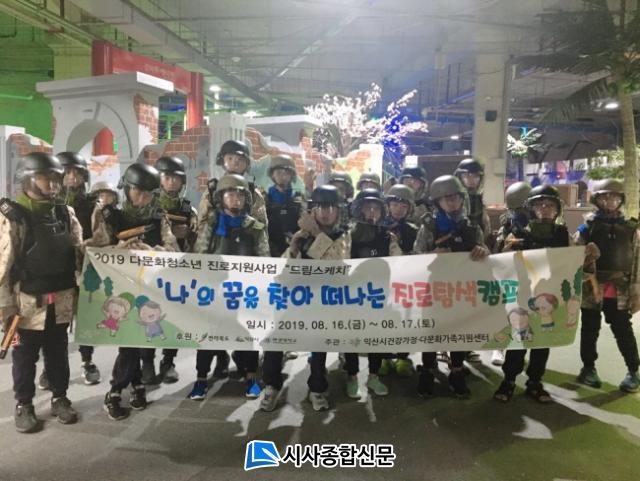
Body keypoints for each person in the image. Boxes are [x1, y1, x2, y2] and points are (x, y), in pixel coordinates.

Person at [0, 152, 82, 432]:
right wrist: (5, 310)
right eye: (45, 177)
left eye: (56, 178)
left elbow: (78, 252)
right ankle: (24, 404)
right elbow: (3, 267)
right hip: (25, 304)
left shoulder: (65, 212)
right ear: (28, 178)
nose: (53, 183)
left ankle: (60, 397)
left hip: (60, 300)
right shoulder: (12, 216)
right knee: (24, 357)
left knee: (58, 352)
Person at [91, 163, 178, 420]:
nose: (143, 198)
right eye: (138, 192)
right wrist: (119, 250)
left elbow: (172, 249)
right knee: (128, 341)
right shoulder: (110, 216)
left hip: (149, 287)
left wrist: (153, 252)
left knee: (138, 338)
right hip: (119, 288)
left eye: (149, 194)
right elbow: (95, 250)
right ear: (127, 189)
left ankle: (135, 384)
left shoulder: (159, 217)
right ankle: (117, 390)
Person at [188, 174, 269, 401]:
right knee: (208, 335)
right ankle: (201, 379)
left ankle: (251, 377)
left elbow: (265, 257)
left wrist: (261, 284)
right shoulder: (212, 224)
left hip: (245, 289)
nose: (235, 199)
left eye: (240, 195)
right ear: (221, 198)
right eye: (230, 194)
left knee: (247, 333)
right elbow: (200, 254)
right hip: (215, 288)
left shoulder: (255, 227)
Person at [413, 175, 489, 398]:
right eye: (446, 199)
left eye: (455, 197)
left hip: (462, 288)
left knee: (459, 329)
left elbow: (484, 251)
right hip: (433, 287)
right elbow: (415, 255)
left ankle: (456, 369)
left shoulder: (471, 226)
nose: (452, 202)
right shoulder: (429, 226)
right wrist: (432, 254)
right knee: (431, 329)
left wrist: (483, 251)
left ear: (462, 199)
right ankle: (428, 369)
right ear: (438, 202)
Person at [493, 185, 570, 403]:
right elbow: (500, 263)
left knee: (542, 341)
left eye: (550, 205)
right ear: (531, 208)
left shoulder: (563, 235)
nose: (545, 209)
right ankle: (509, 379)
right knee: (519, 339)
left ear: (557, 210)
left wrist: (589, 256)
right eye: (540, 205)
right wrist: (506, 249)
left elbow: (574, 265)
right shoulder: (518, 234)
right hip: (522, 295)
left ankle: (535, 381)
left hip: (550, 297)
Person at [283, 185, 351, 411]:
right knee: (276, 340)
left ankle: (317, 389)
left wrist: (315, 233)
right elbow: (283, 269)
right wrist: (293, 247)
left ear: (339, 210)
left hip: (331, 300)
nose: (325, 212)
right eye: (320, 206)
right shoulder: (302, 235)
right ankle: (271, 385)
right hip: (302, 299)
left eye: (331, 207)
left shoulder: (344, 234)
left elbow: (337, 263)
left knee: (320, 346)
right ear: (313, 210)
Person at [574, 179, 640, 393]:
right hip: (590, 286)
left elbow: (636, 261)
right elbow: (575, 257)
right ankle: (588, 368)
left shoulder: (631, 229)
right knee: (589, 328)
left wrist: (636, 291)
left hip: (619, 287)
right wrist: (589, 276)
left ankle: (634, 371)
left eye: (614, 196)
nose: (610, 200)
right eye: (604, 196)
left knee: (622, 328)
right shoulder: (586, 228)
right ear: (597, 199)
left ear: (621, 200)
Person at [139, 156, 197, 385]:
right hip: (150, 272)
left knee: (173, 319)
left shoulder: (188, 208)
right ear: (159, 179)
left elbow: (197, 241)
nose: (172, 182)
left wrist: (189, 234)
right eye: (167, 177)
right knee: (148, 317)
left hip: (178, 272)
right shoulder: (147, 205)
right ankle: (147, 362)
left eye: (177, 178)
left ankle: (168, 361)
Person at [344, 189, 403, 398]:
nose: (371, 212)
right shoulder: (348, 235)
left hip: (378, 295)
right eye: (367, 207)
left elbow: (400, 262)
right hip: (352, 297)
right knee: (352, 338)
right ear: (358, 210)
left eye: (376, 208)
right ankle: (352, 376)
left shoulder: (388, 236)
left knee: (376, 338)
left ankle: (373, 376)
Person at [260, 155, 305, 411]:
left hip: (294, 260)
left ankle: (285, 347)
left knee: (289, 312)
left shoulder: (298, 200)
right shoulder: (264, 200)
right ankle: (271, 381)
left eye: (287, 172)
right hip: (270, 260)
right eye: (279, 172)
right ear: (272, 174)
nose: (283, 176)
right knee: (273, 317)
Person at [55, 151, 101, 386]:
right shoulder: (50, 204)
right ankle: (54, 366)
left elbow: (101, 235)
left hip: (85, 267)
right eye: (67, 173)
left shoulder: (93, 204)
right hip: (57, 269)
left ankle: (87, 360)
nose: (73, 177)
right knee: (56, 321)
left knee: (85, 318)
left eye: (78, 173)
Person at [378, 184, 419, 377]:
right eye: (394, 204)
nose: (398, 210)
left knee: (406, 319)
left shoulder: (413, 230)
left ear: (409, 209)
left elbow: (419, 253)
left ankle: (403, 356)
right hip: (383, 281)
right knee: (384, 319)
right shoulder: (378, 227)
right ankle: (384, 357)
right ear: (387, 205)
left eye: (404, 206)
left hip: (406, 282)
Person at [491, 181, 532, 366]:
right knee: (504, 312)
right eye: (518, 209)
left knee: (525, 313)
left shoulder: (540, 225)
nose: (522, 213)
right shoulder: (507, 226)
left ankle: (519, 349)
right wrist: (505, 248)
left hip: (531, 275)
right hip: (509, 274)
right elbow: (497, 252)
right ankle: (499, 347)